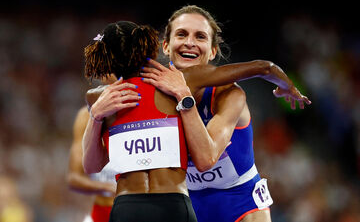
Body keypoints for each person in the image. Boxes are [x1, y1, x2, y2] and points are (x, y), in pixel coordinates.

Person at [82, 20, 309, 222]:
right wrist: (286, 86)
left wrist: (95, 114)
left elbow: (206, 158)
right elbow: (264, 67)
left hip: (238, 198)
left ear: (212, 52)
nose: (190, 43)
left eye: (199, 36)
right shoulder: (178, 82)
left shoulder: (227, 93)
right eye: (182, 35)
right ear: (163, 47)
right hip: (183, 202)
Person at [67, 89, 117, 222]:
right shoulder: (85, 116)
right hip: (102, 211)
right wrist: (108, 187)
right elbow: (74, 178)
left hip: (136, 209)